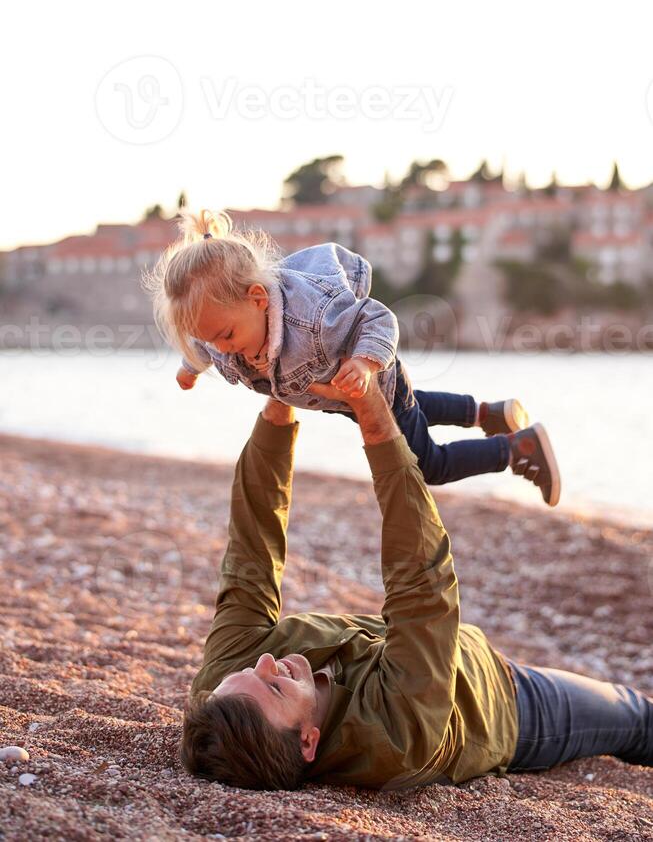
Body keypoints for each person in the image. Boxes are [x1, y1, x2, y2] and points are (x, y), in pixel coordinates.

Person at [180, 377, 652, 791]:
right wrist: (376, 425)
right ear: (308, 741)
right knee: (635, 718)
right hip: (510, 708)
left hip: (462, 653)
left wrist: (278, 408)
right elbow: (421, 585)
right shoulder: (393, 739)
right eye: (277, 689)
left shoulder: (224, 685)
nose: (265, 663)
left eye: (243, 674)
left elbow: (252, 553)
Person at [145, 208, 561, 505]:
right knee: (414, 405)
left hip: (369, 381)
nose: (220, 346)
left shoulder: (316, 317)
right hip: (338, 397)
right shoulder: (220, 332)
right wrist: (190, 368)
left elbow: (378, 318)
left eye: (226, 335)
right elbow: (203, 343)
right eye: (209, 339)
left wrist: (364, 363)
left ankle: (518, 448)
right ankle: (488, 412)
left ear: (257, 299)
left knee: (427, 464)